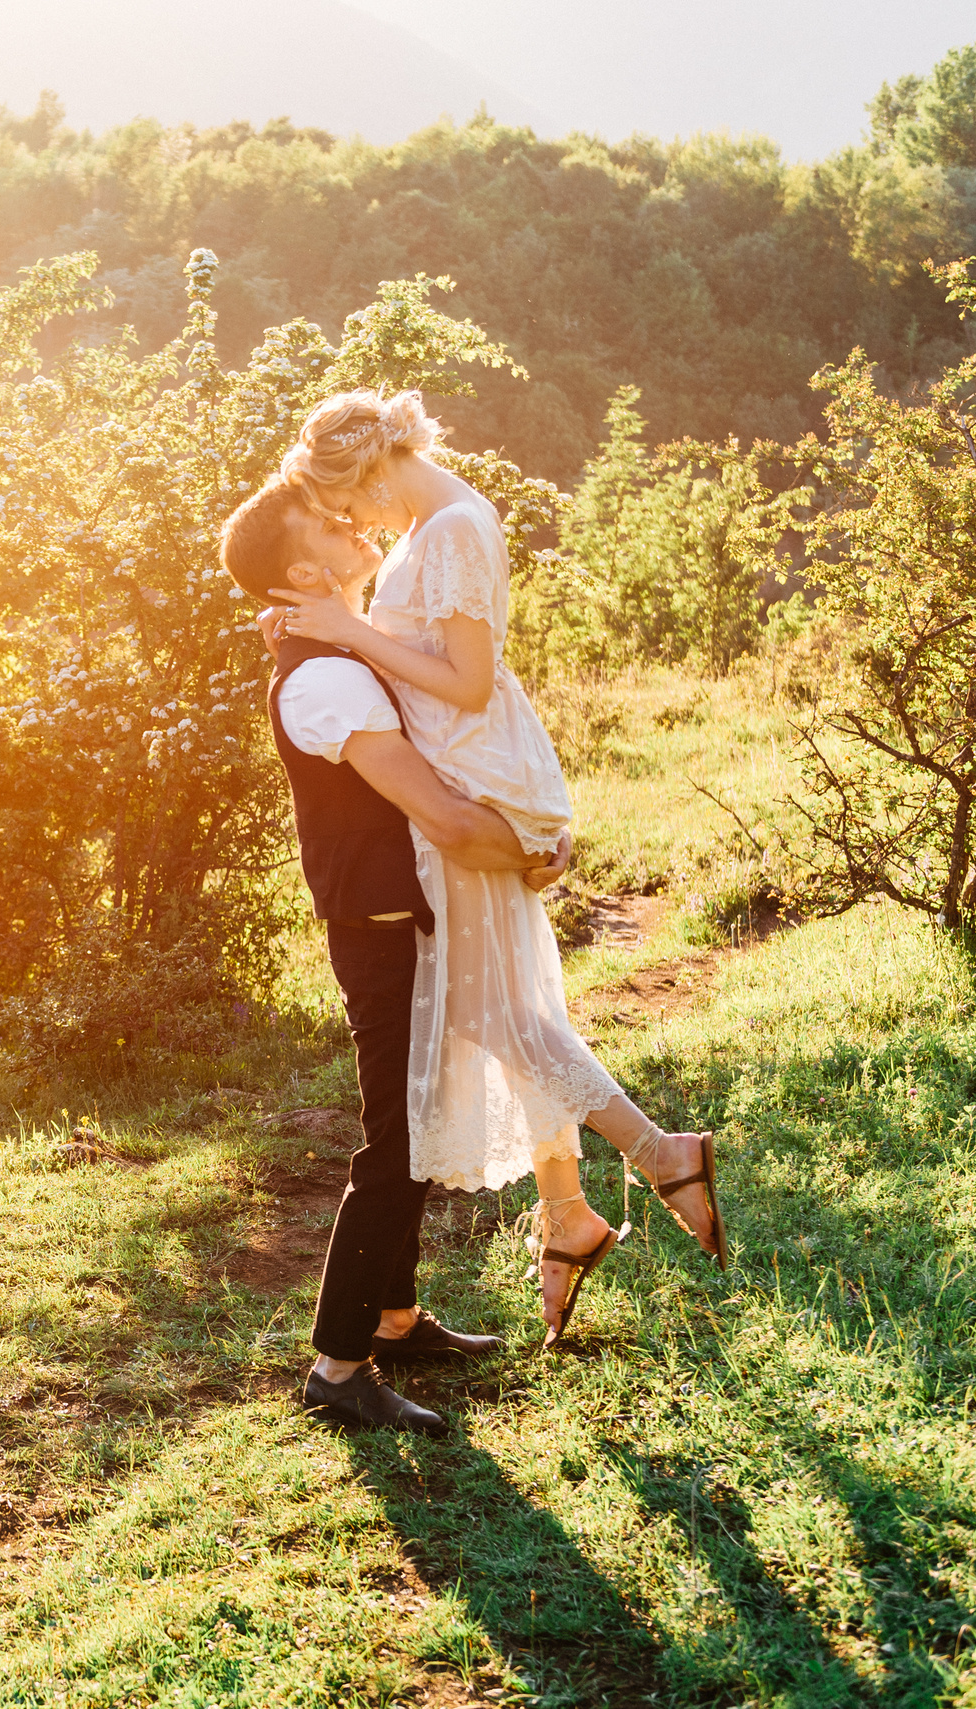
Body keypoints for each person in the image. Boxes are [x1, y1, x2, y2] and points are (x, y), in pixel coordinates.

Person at [265, 389, 726, 1348]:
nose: (352, 526)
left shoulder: (454, 529)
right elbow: (411, 665)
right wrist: (326, 633)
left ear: (366, 471)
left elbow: (468, 684)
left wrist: (347, 633)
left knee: (494, 1013)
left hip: (464, 787)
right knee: (500, 1009)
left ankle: (660, 1155)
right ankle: (570, 1216)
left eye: (346, 507)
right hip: (456, 788)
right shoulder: (431, 530)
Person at [218, 477, 567, 1437]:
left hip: (399, 912)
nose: (354, 525)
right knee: (396, 1139)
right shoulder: (323, 678)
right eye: (331, 524)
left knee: (419, 1113)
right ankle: (338, 1365)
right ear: (302, 571)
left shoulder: (336, 646)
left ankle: (397, 1318)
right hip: (375, 923)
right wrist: (536, 851)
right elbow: (446, 817)